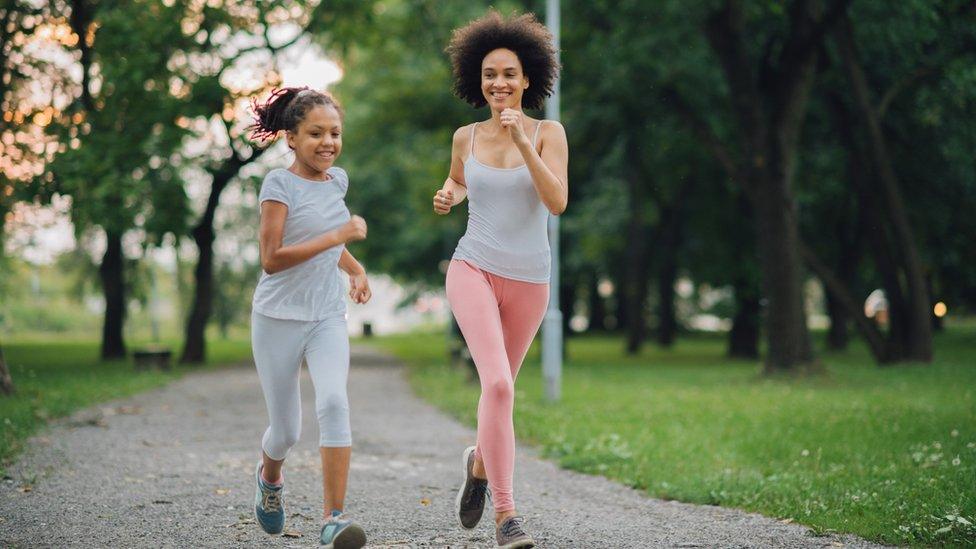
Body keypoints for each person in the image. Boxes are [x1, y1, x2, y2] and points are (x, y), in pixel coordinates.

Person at [434, 10, 568, 549]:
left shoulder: (546, 132)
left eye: (509, 73)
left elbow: (555, 201)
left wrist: (521, 144)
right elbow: (462, 180)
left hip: (530, 280)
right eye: (490, 74)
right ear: (477, 79)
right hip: (473, 267)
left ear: (528, 78)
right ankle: (507, 516)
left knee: (501, 394)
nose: (499, 83)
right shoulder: (464, 136)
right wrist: (449, 194)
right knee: (496, 384)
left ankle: (479, 466)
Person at [248, 86, 371, 549]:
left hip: (326, 315)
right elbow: (273, 258)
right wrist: (339, 233)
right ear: (291, 138)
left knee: (335, 403)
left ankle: (333, 519)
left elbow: (328, 245)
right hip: (277, 317)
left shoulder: (337, 181)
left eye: (335, 133)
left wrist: (355, 269)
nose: (328, 142)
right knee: (286, 431)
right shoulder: (278, 186)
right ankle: (269, 480)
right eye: (315, 133)